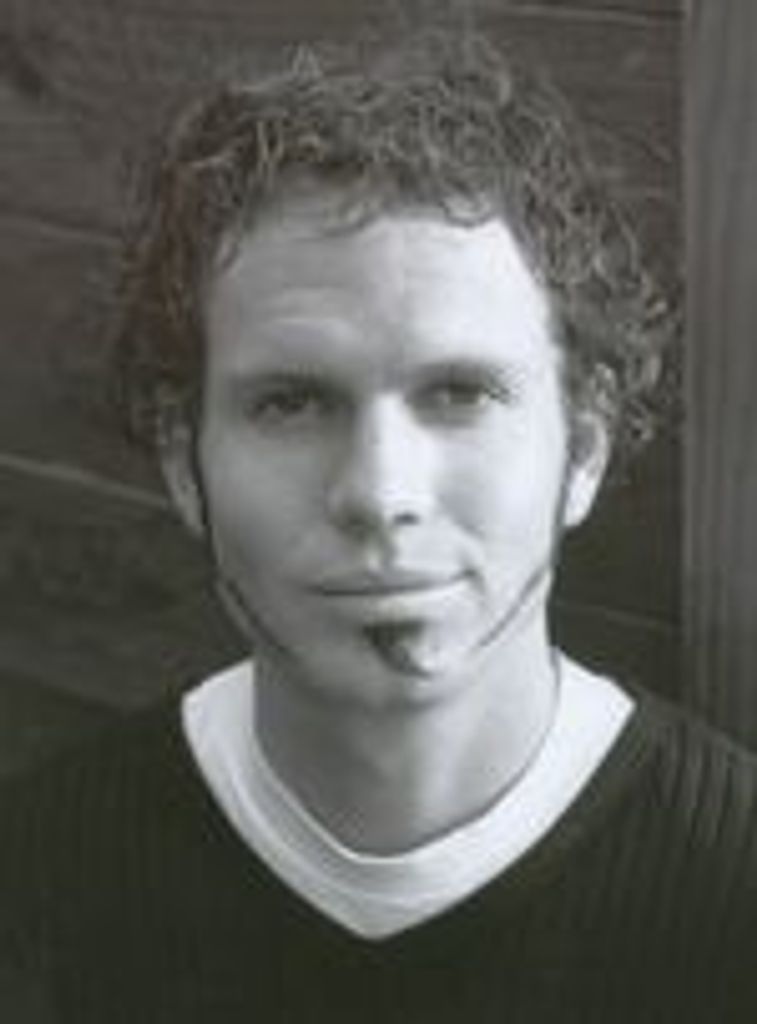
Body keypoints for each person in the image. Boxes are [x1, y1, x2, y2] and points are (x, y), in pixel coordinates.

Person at [1, 26, 756, 1023]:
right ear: (185, 463)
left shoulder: (730, 892)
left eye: (460, 393)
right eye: (290, 402)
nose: (378, 492)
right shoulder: (37, 882)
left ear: (583, 447)